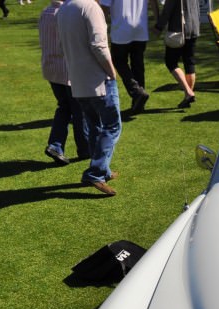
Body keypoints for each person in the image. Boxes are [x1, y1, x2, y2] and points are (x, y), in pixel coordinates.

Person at [57, 0, 121, 196]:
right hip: (98, 79)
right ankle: (95, 172)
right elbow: (99, 45)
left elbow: (62, 46)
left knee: (95, 126)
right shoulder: (90, 7)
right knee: (112, 126)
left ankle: (103, 169)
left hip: (77, 79)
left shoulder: (63, 9)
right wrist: (112, 71)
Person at [39, 0, 90, 165]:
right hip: (67, 69)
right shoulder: (66, 13)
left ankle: (56, 145)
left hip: (51, 68)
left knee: (64, 107)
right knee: (78, 109)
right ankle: (85, 149)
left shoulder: (45, 13)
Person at [100, 0, 151, 114]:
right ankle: (138, 102)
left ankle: (137, 92)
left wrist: (100, 26)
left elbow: (105, 7)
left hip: (121, 29)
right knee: (138, 65)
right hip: (140, 28)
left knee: (118, 61)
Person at [154, 0, 200, 109]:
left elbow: (167, 10)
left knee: (171, 62)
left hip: (179, 29)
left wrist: (158, 27)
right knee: (189, 63)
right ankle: (187, 97)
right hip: (194, 27)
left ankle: (188, 92)